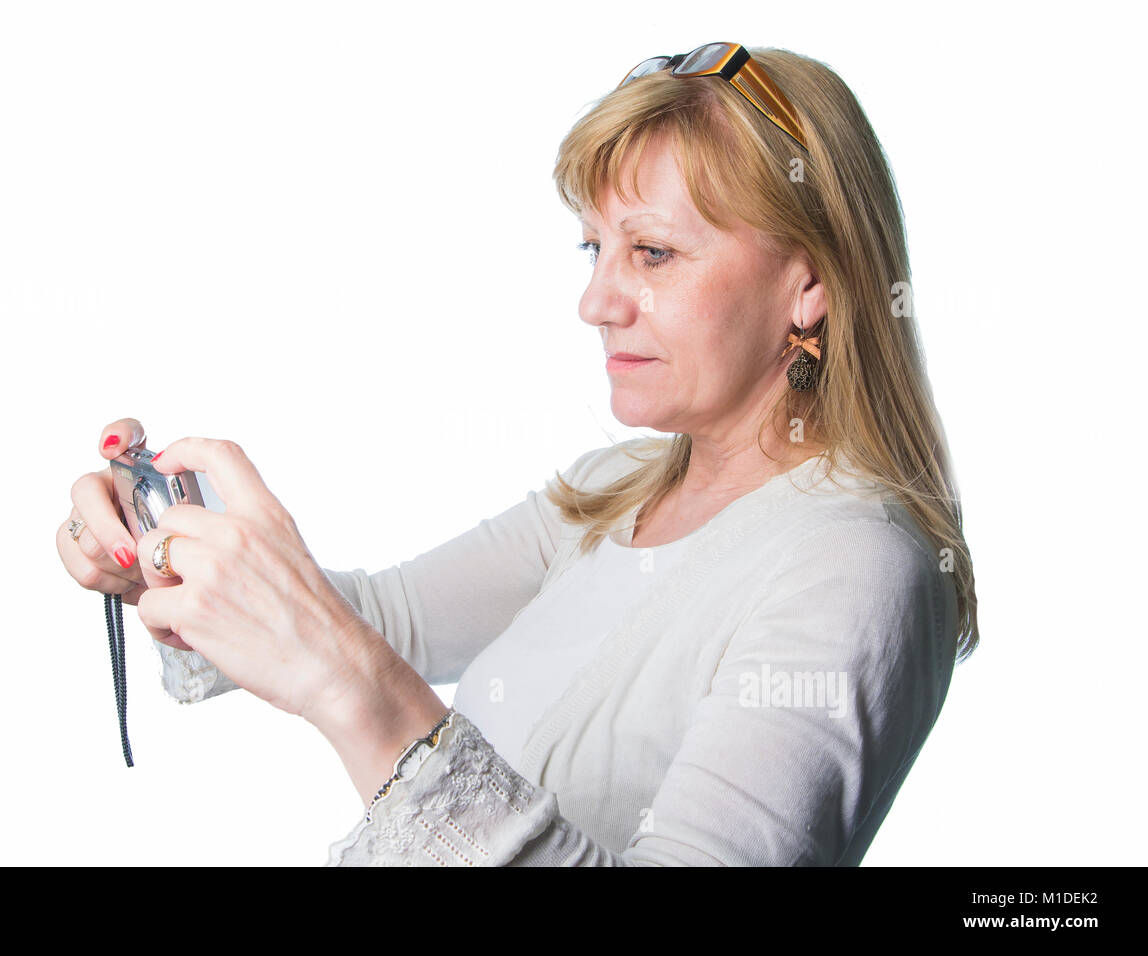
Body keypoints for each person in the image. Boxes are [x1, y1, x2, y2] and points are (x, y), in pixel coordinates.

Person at [55, 42, 979, 866]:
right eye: (595, 248)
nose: (598, 301)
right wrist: (172, 543)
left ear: (809, 282)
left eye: (653, 254)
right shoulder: (610, 493)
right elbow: (383, 619)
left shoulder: (857, 567)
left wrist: (354, 690)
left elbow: (357, 657)